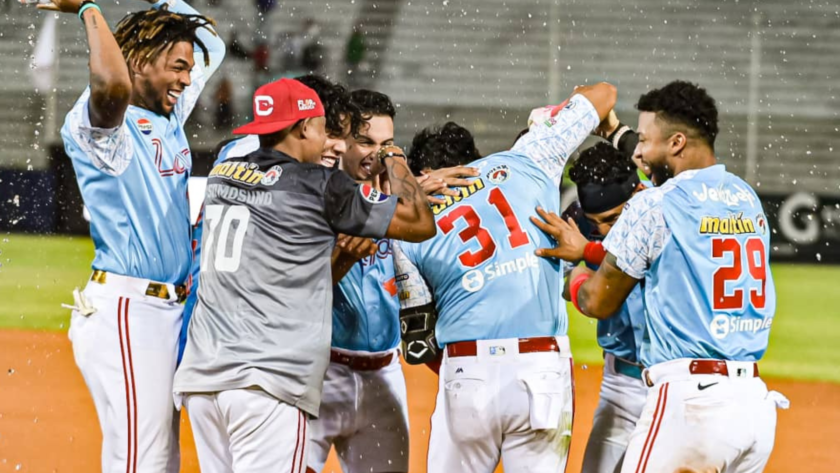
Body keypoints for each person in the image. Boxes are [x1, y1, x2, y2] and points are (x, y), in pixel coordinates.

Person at [174, 78, 435, 472]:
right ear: (303, 128)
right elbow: (418, 222)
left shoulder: (223, 176)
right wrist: (394, 155)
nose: (339, 143)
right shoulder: (320, 186)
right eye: (324, 127)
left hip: (204, 379)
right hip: (267, 383)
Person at [540, 80, 788, 473]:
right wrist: (617, 133)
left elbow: (596, 301)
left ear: (675, 143)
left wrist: (571, 271)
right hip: (753, 406)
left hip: (692, 406)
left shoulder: (655, 205)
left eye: (643, 140)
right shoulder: (744, 196)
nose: (637, 151)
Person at [394, 82, 617, 472]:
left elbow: (420, 345)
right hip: (541, 367)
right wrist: (552, 115)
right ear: (475, 157)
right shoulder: (526, 158)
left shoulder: (409, 225)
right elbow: (603, 93)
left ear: (423, 173)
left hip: (468, 367)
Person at [49, 0, 224, 469]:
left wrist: (167, 22)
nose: (188, 79)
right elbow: (111, 82)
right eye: (178, 67)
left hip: (161, 310)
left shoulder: (169, 112)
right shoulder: (105, 126)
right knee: (143, 459)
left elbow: (215, 44)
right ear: (142, 62)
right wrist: (89, 8)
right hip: (129, 311)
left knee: (153, 456)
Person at [178, 74, 365, 365]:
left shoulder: (242, 151)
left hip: (211, 303)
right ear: (304, 124)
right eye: (330, 131)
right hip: (238, 318)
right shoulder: (280, 169)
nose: (338, 145)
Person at [306, 89, 408, 473]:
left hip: (384, 371)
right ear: (342, 140)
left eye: (387, 144)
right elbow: (305, 289)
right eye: (365, 141)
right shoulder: (315, 195)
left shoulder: (401, 200)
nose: (376, 154)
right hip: (321, 368)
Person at [531, 142, 649, 473]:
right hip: (620, 385)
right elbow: (573, 285)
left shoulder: (664, 214)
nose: (607, 231)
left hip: (674, 383)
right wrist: (577, 272)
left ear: (639, 192)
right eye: (598, 223)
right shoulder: (583, 227)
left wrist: (587, 254)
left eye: (614, 218)